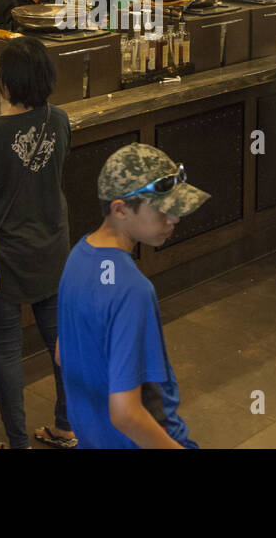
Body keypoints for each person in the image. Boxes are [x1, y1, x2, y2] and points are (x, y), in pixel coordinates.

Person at [55, 143, 210, 448]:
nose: (174, 219)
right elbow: (126, 414)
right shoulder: (133, 290)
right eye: (162, 209)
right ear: (120, 209)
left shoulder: (77, 257)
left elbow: (64, 354)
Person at [0, 37, 76, 449]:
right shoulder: (60, 120)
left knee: (7, 351)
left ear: (6, 83)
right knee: (61, 342)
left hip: (3, 258)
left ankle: (17, 443)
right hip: (52, 249)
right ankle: (64, 427)